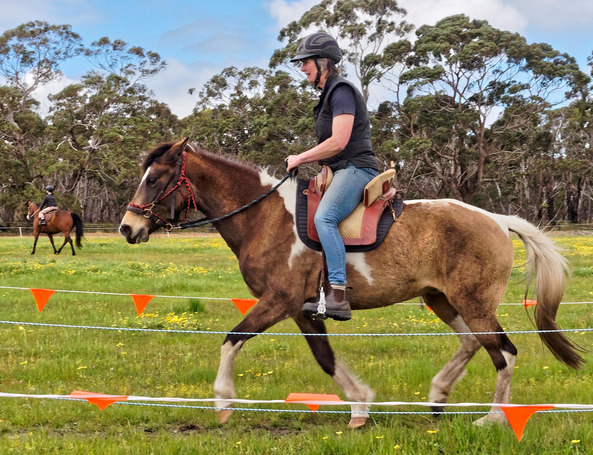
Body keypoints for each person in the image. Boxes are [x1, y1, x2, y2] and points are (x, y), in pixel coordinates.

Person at [285, 32, 379, 321]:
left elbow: (339, 142)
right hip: (340, 169)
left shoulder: (341, 92)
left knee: (324, 218)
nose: (302, 68)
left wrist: (300, 157)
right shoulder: (327, 96)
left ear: (323, 62)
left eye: (305, 62)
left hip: (357, 168)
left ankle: (337, 295)